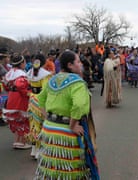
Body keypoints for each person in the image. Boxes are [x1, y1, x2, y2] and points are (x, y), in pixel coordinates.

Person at [35, 50, 99, 179]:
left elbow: (40, 99)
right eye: (78, 62)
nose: (80, 64)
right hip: (65, 136)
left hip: (49, 130)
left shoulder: (52, 79)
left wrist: (47, 117)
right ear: (70, 65)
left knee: (52, 168)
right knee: (69, 170)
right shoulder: (77, 83)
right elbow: (79, 105)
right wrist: (73, 125)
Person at [3, 53, 31, 149]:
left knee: (16, 120)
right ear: (21, 63)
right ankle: (22, 142)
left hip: (11, 97)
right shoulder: (21, 74)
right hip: (20, 98)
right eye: (24, 62)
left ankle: (17, 141)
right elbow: (20, 85)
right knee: (23, 120)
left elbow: (5, 86)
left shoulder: (10, 73)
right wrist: (28, 93)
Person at [26, 53, 51, 159]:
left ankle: (34, 150)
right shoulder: (45, 74)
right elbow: (46, 90)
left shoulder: (30, 72)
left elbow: (28, 84)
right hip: (40, 100)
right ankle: (39, 151)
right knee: (41, 124)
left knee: (33, 123)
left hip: (32, 99)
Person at [0, 47, 10, 126]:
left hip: (4, 87)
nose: (9, 58)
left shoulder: (6, 66)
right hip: (1, 87)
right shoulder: (1, 66)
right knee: (2, 102)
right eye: (7, 57)